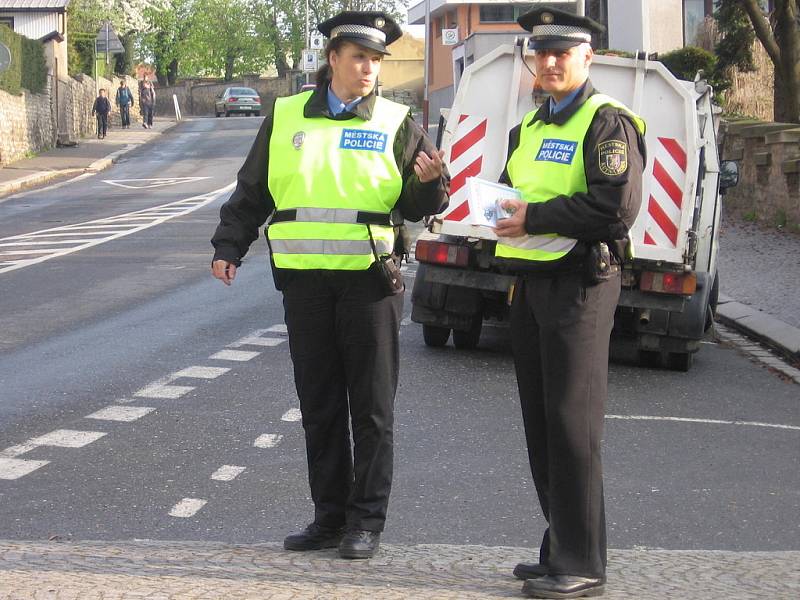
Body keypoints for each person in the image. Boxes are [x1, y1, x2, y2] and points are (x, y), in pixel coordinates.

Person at [210, 11, 448, 560]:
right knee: (319, 406)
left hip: (370, 284)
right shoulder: (287, 114)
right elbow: (254, 190)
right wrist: (229, 246)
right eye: (359, 57)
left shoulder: (396, 120)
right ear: (332, 60)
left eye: (376, 60)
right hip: (306, 287)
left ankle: (366, 522)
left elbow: (417, 204)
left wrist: (431, 187)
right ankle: (328, 518)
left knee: (371, 409)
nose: (369, 68)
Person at [493, 8, 646, 599]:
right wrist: (495, 210)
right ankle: (559, 546)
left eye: (564, 52)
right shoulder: (529, 127)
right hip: (529, 282)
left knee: (571, 422)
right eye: (542, 52)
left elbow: (614, 208)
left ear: (588, 58)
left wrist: (532, 216)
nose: (551, 62)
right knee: (541, 421)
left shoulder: (607, 123)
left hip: (580, 285)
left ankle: (581, 564)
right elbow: (515, 191)